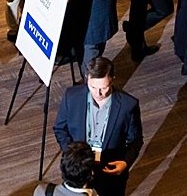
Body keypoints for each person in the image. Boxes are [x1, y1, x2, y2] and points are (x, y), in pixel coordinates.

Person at [53, 57, 143, 196]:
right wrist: (73, 156)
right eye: (93, 87)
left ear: (112, 79)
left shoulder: (128, 105)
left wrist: (125, 162)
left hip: (110, 171)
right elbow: (60, 129)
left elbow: (135, 140)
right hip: (80, 172)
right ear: (87, 79)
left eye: (103, 88)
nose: (98, 93)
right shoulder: (71, 96)